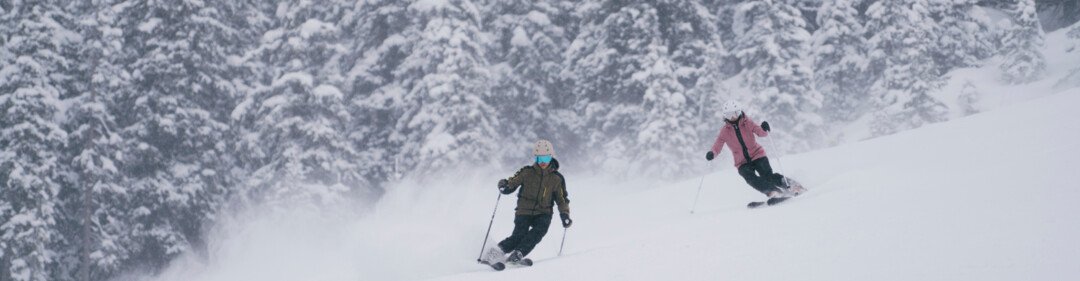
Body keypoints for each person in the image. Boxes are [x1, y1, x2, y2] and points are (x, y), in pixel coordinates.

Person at [488, 139, 572, 263]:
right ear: (535, 158)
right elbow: (512, 182)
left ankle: (518, 254)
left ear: (551, 158)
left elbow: (562, 199)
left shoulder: (557, 178)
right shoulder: (527, 172)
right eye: (540, 159)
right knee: (518, 236)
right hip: (524, 210)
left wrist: (564, 215)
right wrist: (505, 186)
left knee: (538, 233)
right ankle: (493, 254)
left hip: (544, 212)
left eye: (546, 159)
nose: (543, 163)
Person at [705, 101, 805, 199]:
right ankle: (773, 191)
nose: (733, 117)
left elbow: (761, 133)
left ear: (739, 112)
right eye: (729, 115)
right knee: (751, 179)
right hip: (742, 162)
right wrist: (712, 153)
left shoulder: (747, 122)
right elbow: (717, 145)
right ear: (725, 116)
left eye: (735, 113)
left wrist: (764, 128)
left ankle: (793, 186)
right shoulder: (724, 131)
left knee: (767, 176)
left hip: (757, 155)